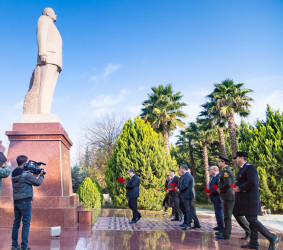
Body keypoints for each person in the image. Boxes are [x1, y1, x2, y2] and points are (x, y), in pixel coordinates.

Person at [233, 152, 280, 250]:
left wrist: (239, 188)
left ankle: (272, 237)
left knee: (252, 220)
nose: (235, 160)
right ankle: (254, 243)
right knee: (252, 222)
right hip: (246, 200)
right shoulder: (243, 169)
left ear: (242, 158)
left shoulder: (250, 167)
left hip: (250, 200)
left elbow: (252, 182)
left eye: (236, 158)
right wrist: (237, 189)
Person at [23, 7, 62, 114]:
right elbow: (41, 35)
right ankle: (42, 113)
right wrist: (42, 52)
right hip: (48, 57)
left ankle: (46, 111)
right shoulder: (44, 19)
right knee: (44, 86)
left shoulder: (51, 24)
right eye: (54, 13)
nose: (56, 15)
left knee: (49, 88)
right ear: (47, 13)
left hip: (55, 59)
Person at [11, 155, 45, 250]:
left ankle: (14, 245)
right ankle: (24, 247)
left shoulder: (14, 173)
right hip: (25, 202)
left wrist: (34, 175)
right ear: (24, 163)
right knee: (26, 224)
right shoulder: (25, 174)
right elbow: (37, 182)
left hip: (17, 202)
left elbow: (28, 180)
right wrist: (42, 175)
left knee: (16, 223)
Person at [215, 155, 235, 240]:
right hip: (225, 195)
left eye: (219, 161)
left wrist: (220, 189)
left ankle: (227, 235)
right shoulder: (223, 171)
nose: (218, 163)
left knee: (227, 216)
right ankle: (224, 232)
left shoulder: (226, 171)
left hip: (228, 196)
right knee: (225, 216)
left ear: (224, 162)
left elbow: (228, 183)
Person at [178, 164, 200, 230]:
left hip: (187, 195)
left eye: (180, 168)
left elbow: (185, 185)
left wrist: (180, 189)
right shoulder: (185, 175)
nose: (180, 170)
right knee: (189, 210)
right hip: (186, 195)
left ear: (183, 168)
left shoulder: (187, 175)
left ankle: (188, 224)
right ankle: (196, 223)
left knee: (188, 210)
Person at [207, 166, 225, 232]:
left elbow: (219, 188)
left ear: (215, 170)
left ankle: (222, 227)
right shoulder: (213, 177)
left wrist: (211, 191)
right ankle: (219, 225)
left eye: (210, 170)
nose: (209, 171)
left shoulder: (219, 176)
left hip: (218, 197)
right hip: (214, 197)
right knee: (217, 213)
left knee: (220, 213)